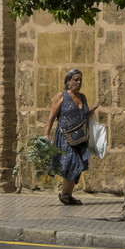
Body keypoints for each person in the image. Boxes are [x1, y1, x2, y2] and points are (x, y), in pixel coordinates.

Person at [45, 69, 96, 205]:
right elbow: (51, 117)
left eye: (80, 80)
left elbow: (83, 115)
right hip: (65, 137)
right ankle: (65, 195)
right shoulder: (61, 96)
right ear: (68, 82)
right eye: (75, 80)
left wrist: (91, 111)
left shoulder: (83, 97)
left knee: (77, 166)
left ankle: (67, 195)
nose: (79, 82)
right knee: (73, 163)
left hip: (79, 137)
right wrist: (46, 134)